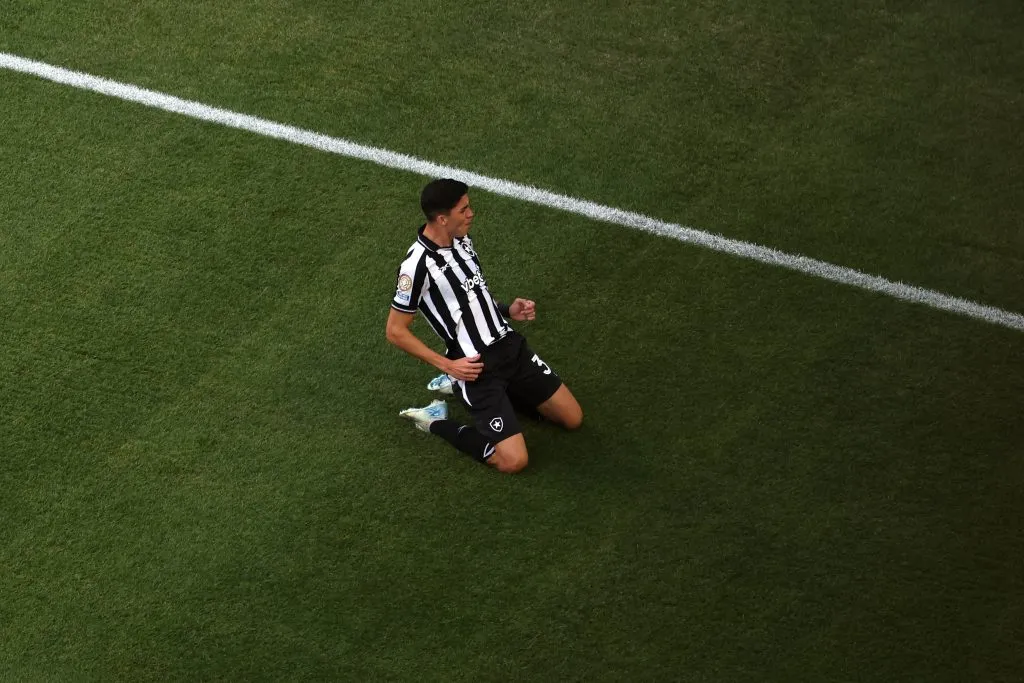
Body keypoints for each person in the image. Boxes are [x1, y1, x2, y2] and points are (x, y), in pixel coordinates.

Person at [385, 178, 583, 473]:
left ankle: (470, 390)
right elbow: (395, 331)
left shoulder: (462, 240)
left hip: (510, 347)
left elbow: (472, 294)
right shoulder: (416, 267)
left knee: (572, 419)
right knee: (514, 461)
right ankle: (436, 420)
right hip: (476, 368)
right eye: (463, 209)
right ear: (442, 218)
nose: (471, 213)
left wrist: (507, 310)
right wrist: (447, 366)